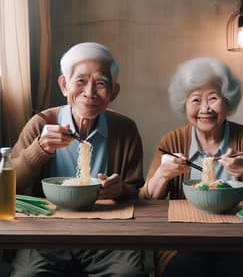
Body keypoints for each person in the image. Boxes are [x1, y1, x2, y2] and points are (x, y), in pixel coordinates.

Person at [9, 42, 147, 277]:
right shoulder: (41, 124)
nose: (90, 93)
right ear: (64, 85)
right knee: (27, 275)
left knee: (128, 272)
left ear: (113, 92)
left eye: (101, 83)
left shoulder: (125, 129)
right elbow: (10, 187)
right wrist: (39, 149)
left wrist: (121, 189)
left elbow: (137, 193)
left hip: (108, 234)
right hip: (46, 232)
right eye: (80, 81)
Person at [141, 57, 243, 277]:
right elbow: (147, 198)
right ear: (184, 104)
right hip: (183, 240)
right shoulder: (171, 141)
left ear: (228, 101)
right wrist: (163, 174)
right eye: (196, 99)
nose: (205, 108)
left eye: (214, 98)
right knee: (183, 270)